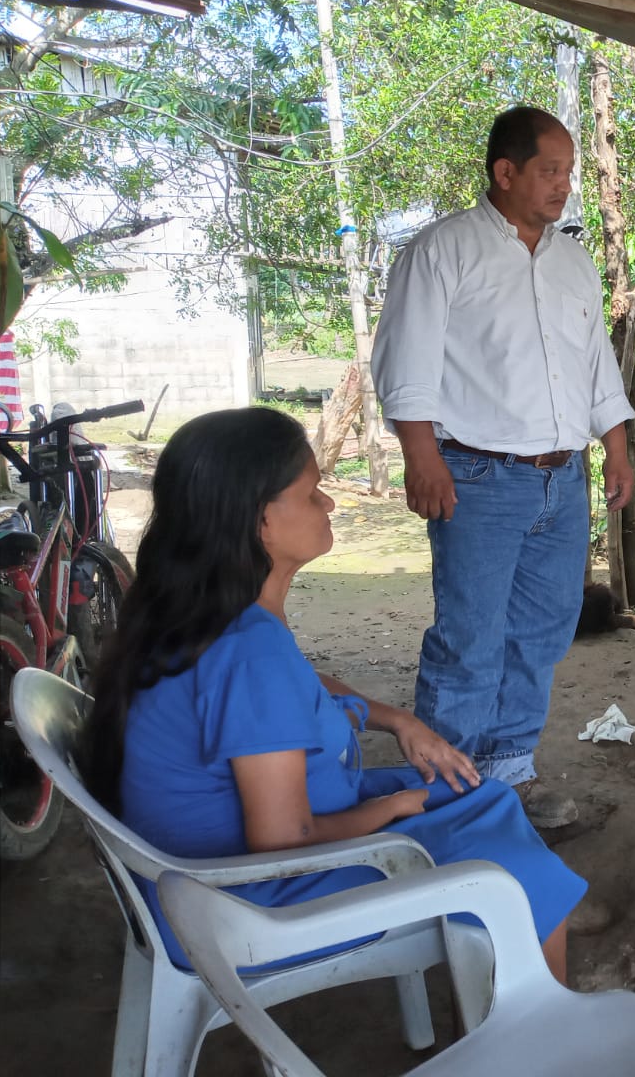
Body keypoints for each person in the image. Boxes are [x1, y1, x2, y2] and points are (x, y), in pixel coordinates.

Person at [82, 408, 586, 980]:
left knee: (479, 793)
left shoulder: (206, 616)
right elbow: (282, 841)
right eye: (311, 493)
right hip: (249, 904)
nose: (329, 504)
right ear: (259, 520)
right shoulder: (248, 650)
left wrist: (397, 720)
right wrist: (389, 810)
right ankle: (537, 993)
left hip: (209, 882)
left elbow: (294, 686)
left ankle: (523, 946)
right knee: (512, 875)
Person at [372, 106, 634, 827]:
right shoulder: (444, 249)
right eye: (551, 171)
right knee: (470, 638)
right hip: (478, 476)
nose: (564, 185)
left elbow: (594, 363)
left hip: (562, 478)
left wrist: (615, 445)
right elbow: (405, 361)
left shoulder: (573, 261)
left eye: (569, 172)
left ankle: (509, 772)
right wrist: (420, 456)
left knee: (542, 631)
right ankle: (447, 794)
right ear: (506, 171)